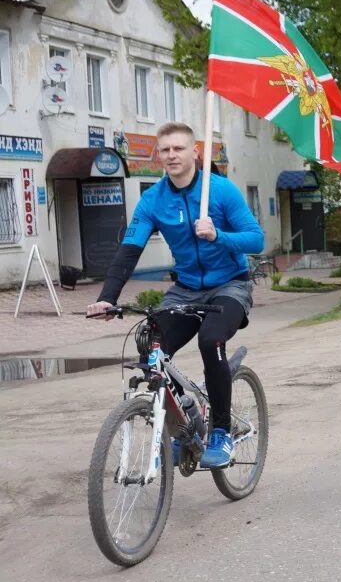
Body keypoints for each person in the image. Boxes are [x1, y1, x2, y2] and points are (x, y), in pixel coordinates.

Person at [86, 122, 264, 468]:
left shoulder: (221, 191)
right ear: (159, 155)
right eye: (165, 150)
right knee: (150, 346)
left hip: (229, 284)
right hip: (185, 288)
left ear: (195, 152)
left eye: (178, 149)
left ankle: (221, 433)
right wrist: (108, 297)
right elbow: (129, 251)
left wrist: (218, 236)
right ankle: (184, 425)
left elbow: (256, 240)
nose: (171, 156)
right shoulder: (153, 200)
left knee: (210, 340)